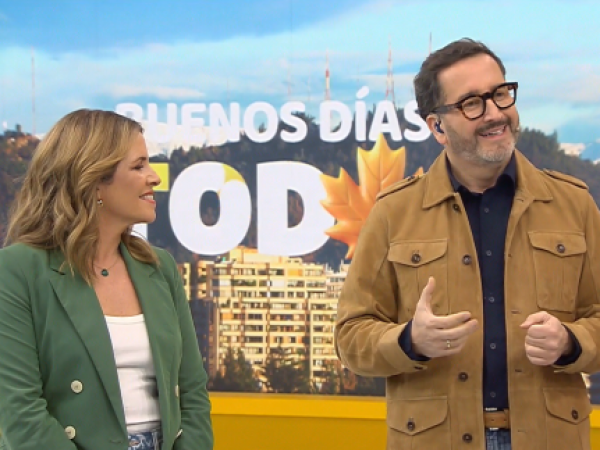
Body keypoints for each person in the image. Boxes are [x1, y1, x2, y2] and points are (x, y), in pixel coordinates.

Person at [334, 38, 600, 450]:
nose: (495, 113)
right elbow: (351, 337)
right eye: (472, 103)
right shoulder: (393, 212)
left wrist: (571, 341)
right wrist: (410, 340)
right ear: (437, 127)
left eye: (500, 94)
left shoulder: (573, 204)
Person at [0, 109, 214, 450]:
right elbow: (19, 411)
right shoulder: (17, 270)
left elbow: (192, 393)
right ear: (94, 179)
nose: (154, 177)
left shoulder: (160, 267)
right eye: (139, 166)